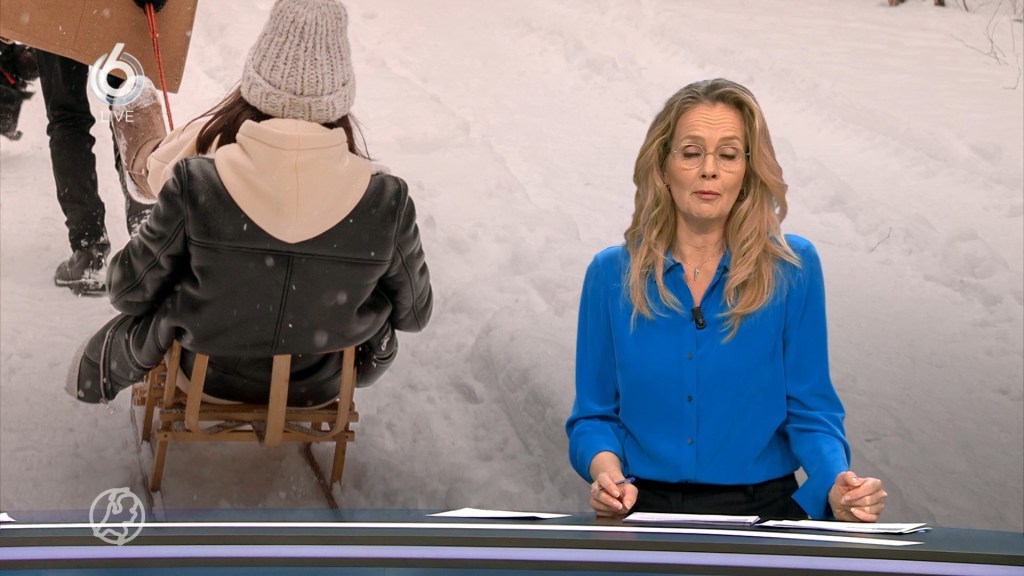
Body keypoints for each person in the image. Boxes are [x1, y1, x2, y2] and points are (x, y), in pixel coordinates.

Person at [66, 0, 432, 408]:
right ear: (340, 99)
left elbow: (127, 291)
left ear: (254, 88)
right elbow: (415, 315)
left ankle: (137, 123)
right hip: (320, 383)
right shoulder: (386, 201)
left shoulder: (198, 184)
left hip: (209, 375)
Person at [565, 78, 886, 522]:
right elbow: (594, 417)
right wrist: (608, 476)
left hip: (764, 515)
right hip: (643, 512)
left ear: (748, 171)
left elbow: (811, 410)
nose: (709, 170)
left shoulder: (792, 268)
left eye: (729, 155)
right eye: (691, 152)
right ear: (663, 166)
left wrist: (837, 484)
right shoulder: (610, 274)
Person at [35, 0, 166, 296]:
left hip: (57, 9)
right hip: (118, 7)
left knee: (67, 117)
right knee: (128, 103)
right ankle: (147, 233)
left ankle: (89, 251)